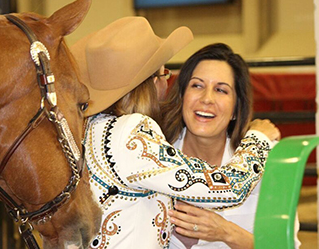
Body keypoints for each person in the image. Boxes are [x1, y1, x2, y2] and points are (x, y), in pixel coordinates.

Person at [70, 17, 279, 249]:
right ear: (147, 84)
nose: (165, 84)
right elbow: (231, 187)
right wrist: (258, 138)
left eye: (221, 90)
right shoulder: (132, 131)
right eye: (162, 74)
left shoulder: (91, 127)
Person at [161, 43, 300, 249]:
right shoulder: (154, 156)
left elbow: (285, 246)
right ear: (182, 96)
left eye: (221, 90)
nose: (207, 99)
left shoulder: (267, 160)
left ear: (236, 108)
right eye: (197, 85)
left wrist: (226, 232)